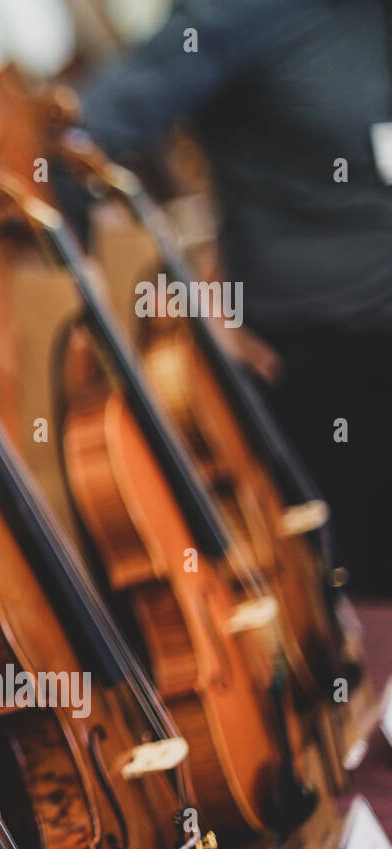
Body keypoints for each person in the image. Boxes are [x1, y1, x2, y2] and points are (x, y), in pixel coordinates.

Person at [75, 0, 392, 593]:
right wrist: (183, 298)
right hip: (330, 374)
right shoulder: (242, 14)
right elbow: (78, 144)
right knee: (364, 607)